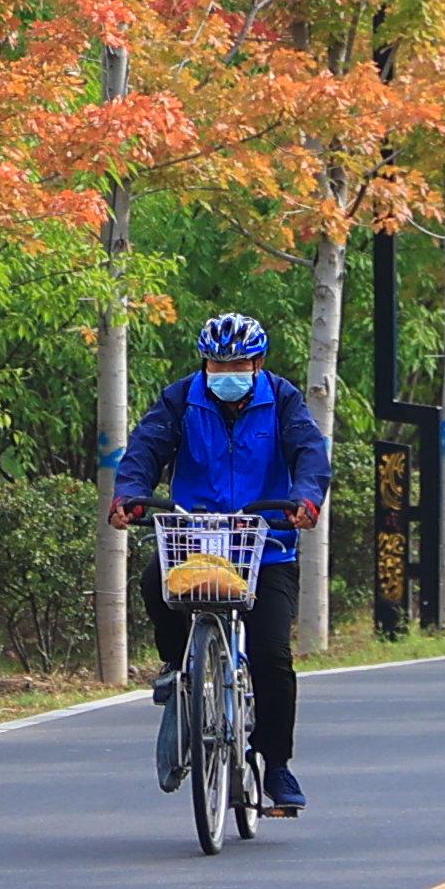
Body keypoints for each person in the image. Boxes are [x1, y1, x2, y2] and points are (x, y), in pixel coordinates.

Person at [109, 311, 330, 816]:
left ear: (258, 362)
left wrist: (304, 500)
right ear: (204, 362)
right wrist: (131, 495)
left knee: (273, 656)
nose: (226, 370)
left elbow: (309, 454)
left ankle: (275, 763)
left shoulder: (284, 400)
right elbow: (146, 448)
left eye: (238, 362)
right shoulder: (181, 398)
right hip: (198, 542)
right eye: (216, 362)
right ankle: (176, 665)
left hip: (265, 543)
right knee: (153, 583)